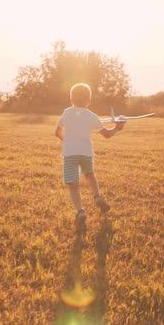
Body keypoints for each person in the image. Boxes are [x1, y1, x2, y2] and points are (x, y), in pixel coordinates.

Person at [54, 83, 126, 228]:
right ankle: (97, 196)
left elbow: (57, 132)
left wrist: (66, 140)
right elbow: (106, 134)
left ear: (71, 99)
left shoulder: (67, 112)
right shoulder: (92, 116)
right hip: (86, 153)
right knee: (90, 174)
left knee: (73, 185)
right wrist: (117, 128)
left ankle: (80, 211)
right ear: (89, 101)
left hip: (70, 153)